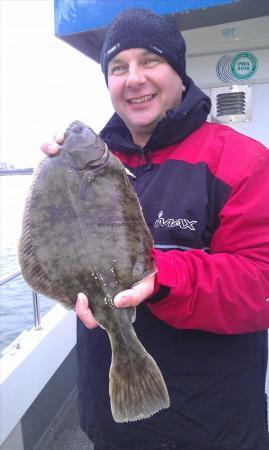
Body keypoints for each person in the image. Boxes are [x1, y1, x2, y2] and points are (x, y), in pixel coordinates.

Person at [42, 7, 269, 450]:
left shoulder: (244, 161)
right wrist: (55, 180)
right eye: (118, 67)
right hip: (109, 415)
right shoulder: (84, 164)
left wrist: (162, 277)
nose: (134, 78)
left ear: (180, 75)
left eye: (151, 60)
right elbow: (52, 248)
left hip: (214, 424)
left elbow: (261, 284)